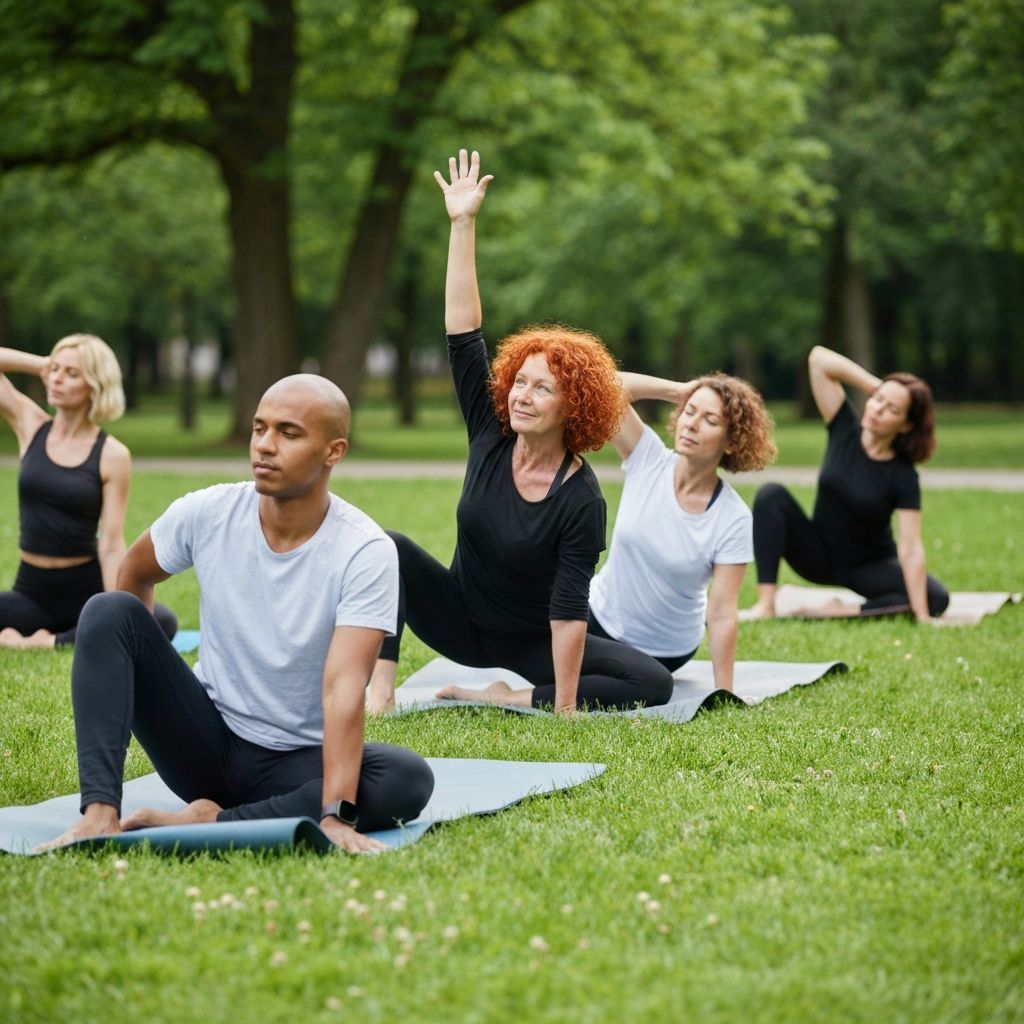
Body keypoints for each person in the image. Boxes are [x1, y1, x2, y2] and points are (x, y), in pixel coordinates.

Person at [40, 373, 434, 853]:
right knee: (107, 609)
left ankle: (215, 819)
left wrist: (333, 817)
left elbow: (344, 686)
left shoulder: (364, 549)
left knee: (407, 778)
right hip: (205, 745)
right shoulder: (207, 511)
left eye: (289, 433)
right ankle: (99, 814)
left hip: (296, 763)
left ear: (334, 451)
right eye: (258, 428)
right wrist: (156, 684)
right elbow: (133, 574)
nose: (265, 446)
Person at [365, 149, 674, 715]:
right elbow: (464, 333)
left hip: (529, 642)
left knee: (653, 682)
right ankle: (379, 691)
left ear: (573, 407)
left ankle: (512, 694)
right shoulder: (491, 432)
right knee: (389, 547)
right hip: (459, 620)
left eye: (542, 389)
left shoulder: (581, 497)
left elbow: (568, 607)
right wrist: (463, 224)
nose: (521, 396)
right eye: (520, 382)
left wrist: (561, 706)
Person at [589, 371, 776, 692]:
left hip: (663, 650)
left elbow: (721, 613)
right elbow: (603, 385)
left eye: (710, 420)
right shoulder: (646, 457)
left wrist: (724, 691)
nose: (692, 424)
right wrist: (677, 390)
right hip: (596, 617)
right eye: (690, 411)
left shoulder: (733, 518)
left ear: (732, 442)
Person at [742, 345, 949, 621]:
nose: (877, 409)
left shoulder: (903, 475)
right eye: (877, 400)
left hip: (868, 565)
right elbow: (818, 359)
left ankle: (844, 610)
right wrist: (884, 388)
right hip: (817, 554)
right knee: (771, 495)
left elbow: (910, 547)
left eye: (892, 409)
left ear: (905, 425)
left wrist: (921, 615)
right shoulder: (844, 427)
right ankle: (765, 605)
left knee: (936, 597)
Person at [0, 335, 176, 649]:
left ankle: (45, 642)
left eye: (71, 373)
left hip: (85, 589)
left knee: (159, 622)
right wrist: (40, 363)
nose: (57, 379)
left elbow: (110, 543)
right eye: (56, 369)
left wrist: (114, 606)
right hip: (31, 591)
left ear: (94, 386)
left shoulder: (113, 454)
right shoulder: (31, 425)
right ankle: (66, 634)